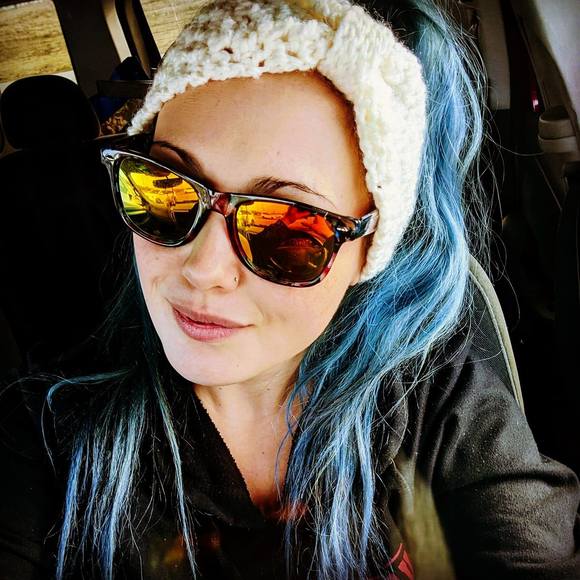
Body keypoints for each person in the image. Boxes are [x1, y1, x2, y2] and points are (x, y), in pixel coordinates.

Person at [1, 1, 579, 579]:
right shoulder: (44, 431)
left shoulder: (436, 395)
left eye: (287, 229)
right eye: (164, 189)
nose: (203, 269)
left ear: (368, 250)